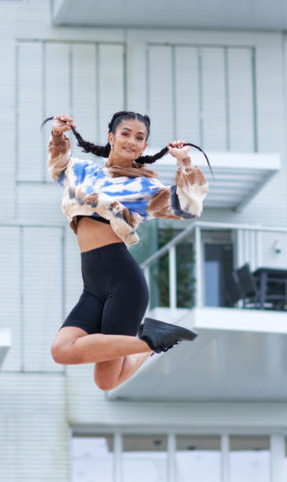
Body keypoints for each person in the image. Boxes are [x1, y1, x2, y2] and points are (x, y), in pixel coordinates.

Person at [47, 111, 209, 391]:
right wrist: (58, 134)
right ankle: (150, 342)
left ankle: (152, 339)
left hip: (123, 282)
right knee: (72, 358)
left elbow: (188, 206)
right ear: (111, 138)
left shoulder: (145, 186)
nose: (132, 141)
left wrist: (185, 162)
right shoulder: (82, 170)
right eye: (125, 134)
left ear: (145, 146)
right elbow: (58, 166)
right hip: (93, 286)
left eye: (140, 137)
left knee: (105, 380)